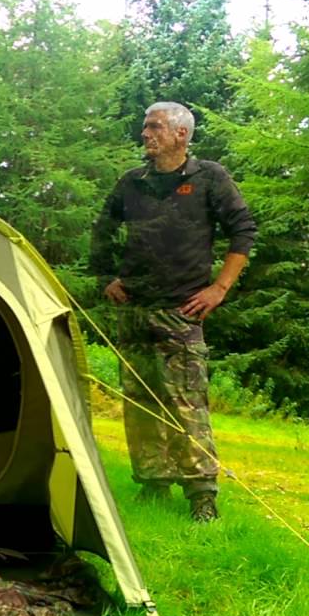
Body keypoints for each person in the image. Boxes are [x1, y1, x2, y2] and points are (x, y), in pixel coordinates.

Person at [88, 101, 257, 522]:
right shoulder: (132, 183)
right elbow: (102, 230)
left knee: (187, 402)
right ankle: (153, 482)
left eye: (155, 127)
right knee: (141, 400)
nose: (145, 135)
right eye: (145, 128)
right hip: (134, 310)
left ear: (181, 134)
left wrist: (219, 288)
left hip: (181, 311)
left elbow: (243, 231)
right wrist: (105, 277)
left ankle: (202, 493)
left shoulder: (209, 177)